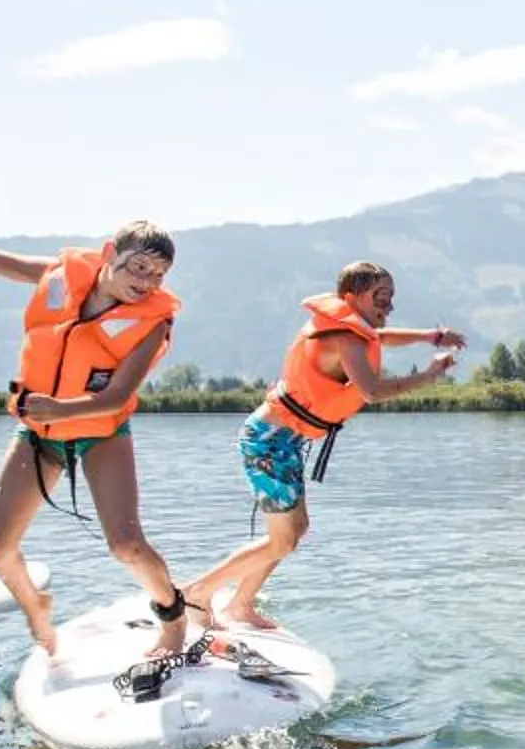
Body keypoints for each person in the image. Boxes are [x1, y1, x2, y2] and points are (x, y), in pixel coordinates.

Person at [0, 159, 190, 660]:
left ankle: (173, 615)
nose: (146, 280)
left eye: (157, 274)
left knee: (125, 546)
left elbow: (116, 397)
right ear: (110, 254)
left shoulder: (151, 322)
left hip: (100, 431)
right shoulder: (59, 277)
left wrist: (58, 410)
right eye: (137, 266)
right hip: (41, 429)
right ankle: (35, 604)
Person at [186, 262, 464, 628]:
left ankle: (240, 604)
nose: (389, 306)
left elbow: (384, 336)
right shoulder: (345, 338)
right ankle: (197, 594)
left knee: (291, 532)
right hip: (270, 441)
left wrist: (430, 336)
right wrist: (428, 375)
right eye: (381, 297)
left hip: (283, 439)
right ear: (351, 298)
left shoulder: (354, 330)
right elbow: (372, 391)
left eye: (391, 298)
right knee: (283, 540)